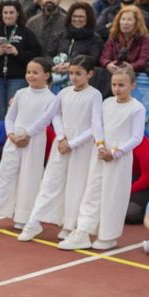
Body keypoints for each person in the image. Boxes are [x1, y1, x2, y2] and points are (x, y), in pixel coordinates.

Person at [61, 66, 147, 251]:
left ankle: (108, 235)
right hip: (100, 153)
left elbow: (136, 137)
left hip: (119, 158)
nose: (117, 89)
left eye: (122, 85)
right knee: (92, 191)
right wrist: (100, 145)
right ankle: (83, 232)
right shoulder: (107, 103)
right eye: (114, 84)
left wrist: (115, 152)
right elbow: (97, 125)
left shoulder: (137, 108)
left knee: (113, 195)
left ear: (133, 85)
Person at [25, 58, 105, 242]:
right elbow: (53, 115)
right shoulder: (63, 92)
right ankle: (35, 220)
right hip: (61, 146)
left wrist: (73, 143)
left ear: (90, 74)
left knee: (76, 184)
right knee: (50, 181)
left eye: (78, 73)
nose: (74, 77)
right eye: (71, 73)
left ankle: (70, 225)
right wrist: (61, 137)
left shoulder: (95, 95)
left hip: (81, 147)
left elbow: (95, 124)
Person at [0, 59, 55, 233]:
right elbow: (10, 117)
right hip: (14, 141)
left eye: (35, 72)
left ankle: (23, 216)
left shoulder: (51, 98)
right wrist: (12, 135)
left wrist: (28, 135)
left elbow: (44, 121)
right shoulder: (20, 93)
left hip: (33, 142)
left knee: (29, 178)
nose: (30, 76)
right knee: (5, 175)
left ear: (47, 75)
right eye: (28, 72)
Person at [0, 0, 40, 123]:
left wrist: (17, 53)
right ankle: (0, 140)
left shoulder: (26, 33)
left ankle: (13, 140)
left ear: (18, 14)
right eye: (5, 13)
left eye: (11, 12)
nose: (8, 16)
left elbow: (35, 54)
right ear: (1, 14)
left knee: (13, 111)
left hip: (17, 79)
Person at [99, 6, 149, 73]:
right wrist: (108, 64)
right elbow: (104, 57)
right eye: (123, 19)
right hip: (114, 73)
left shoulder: (146, 39)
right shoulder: (114, 36)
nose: (125, 23)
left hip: (136, 74)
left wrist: (131, 67)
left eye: (129, 20)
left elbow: (144, 60)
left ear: (137, 22)